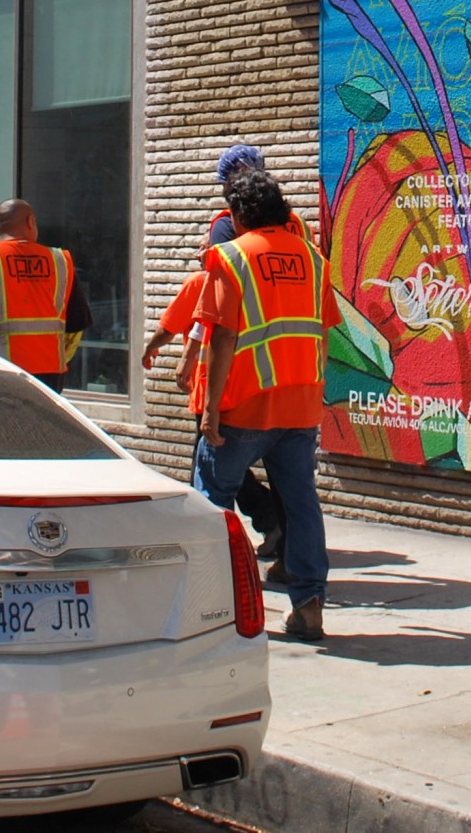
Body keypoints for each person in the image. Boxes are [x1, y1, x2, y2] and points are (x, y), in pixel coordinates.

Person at [196, 167, 341, 642]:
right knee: (301, 503)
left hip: (247, 405)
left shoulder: (231, 257)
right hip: (300, 405)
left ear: (238, 216)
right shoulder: (314, 259)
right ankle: (309, 604)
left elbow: (222, 337)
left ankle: (210, 606)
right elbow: (323, 329)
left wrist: (212, 407)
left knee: (210, 503)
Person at [142, 145, 290, 568]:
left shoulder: (228, 228)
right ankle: (288, 551)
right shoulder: (298, 229)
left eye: (227, 182)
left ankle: (213, 566)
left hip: (235, 375)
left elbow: (214, 305)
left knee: (211, 465)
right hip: (292, 375)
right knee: (287, 477)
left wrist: (189, 357)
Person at [0, 199, 95, 389]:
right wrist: (59, 359)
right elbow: (76, 326)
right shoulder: (59, 262)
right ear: (31, 221)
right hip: (49, 376)